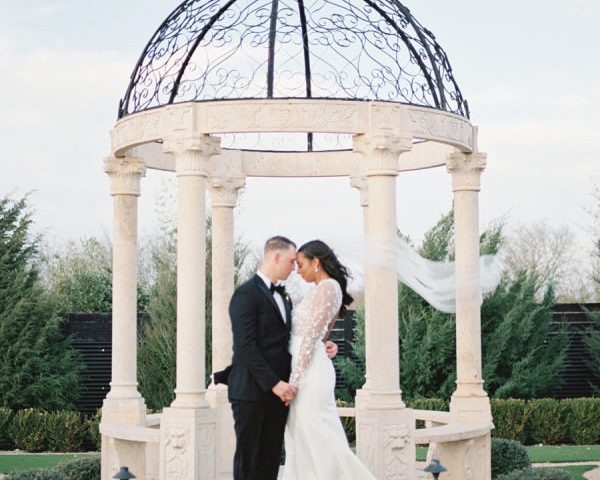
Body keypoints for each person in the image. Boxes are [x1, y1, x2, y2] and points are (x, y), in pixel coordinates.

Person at [214, 236, 338, 480]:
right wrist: (275, 383)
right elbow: (246, 347)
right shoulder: (245, 294)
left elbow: (293, 339)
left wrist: (324, 345)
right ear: (276, 257)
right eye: (292, 261)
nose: (294, 268)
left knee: (270, 460)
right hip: (251, 390)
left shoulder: (286, 297)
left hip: (280, 393)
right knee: (249, 459)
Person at [283, 240, 376, 480]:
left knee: (318, 433)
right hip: (306, 364)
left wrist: (295, 379)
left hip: (308, 372)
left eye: (301, 264)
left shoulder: (327, 288)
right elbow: (320, 335)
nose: (297, 270)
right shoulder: (322, 289)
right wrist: (327, 345)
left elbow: (311, 338)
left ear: (316, 262)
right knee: (301, 434)